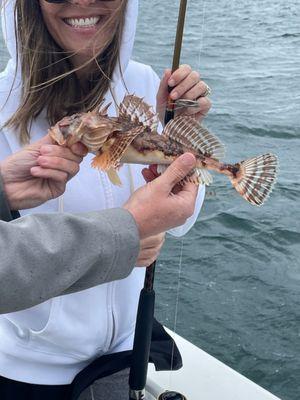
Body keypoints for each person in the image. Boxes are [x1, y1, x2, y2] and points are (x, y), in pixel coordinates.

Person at [0, 0, 211, 399]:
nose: (82, 2)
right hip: (27, 370)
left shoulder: (147, 82)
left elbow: (179, 222)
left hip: (124, 355)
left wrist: (179, 138)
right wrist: (127, 232)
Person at [0, 134, 199, 314]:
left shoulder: (143, 94)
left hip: (129, 330)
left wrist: (2, 189)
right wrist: (126, 230)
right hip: (30, 344)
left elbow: (180, 222)